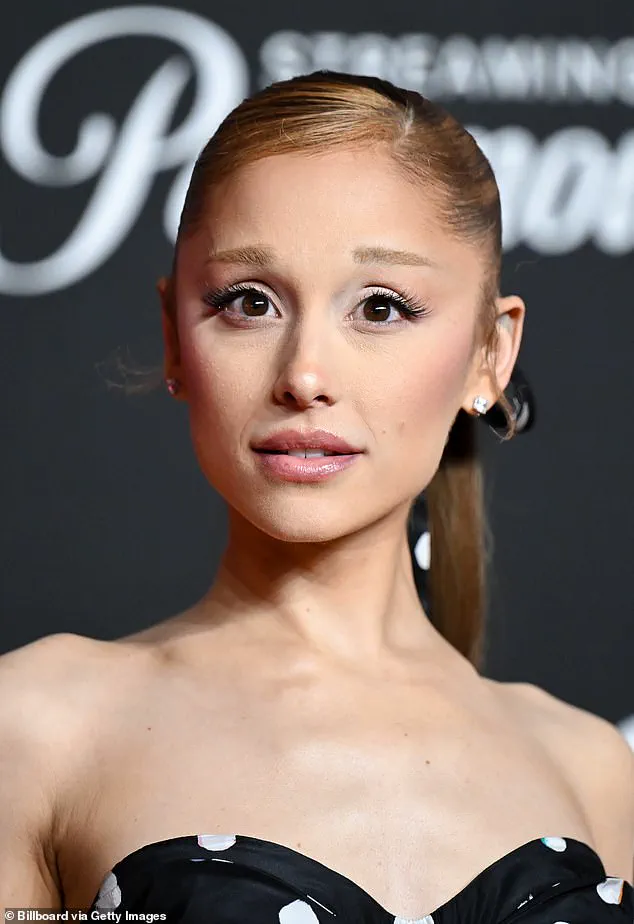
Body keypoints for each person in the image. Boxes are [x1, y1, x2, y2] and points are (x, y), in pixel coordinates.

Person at [1, 71, 632, 922]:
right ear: (175, 338)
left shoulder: (597, 772)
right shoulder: (35, 729)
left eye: (381, 308)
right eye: (249, 302)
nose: (304, 375)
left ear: (490, 355)